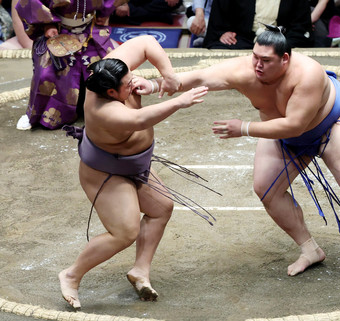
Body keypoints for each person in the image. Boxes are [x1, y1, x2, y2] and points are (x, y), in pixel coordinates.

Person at [140, 26, 340, 276]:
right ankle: (309, 248)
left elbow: (295, 125)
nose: (257, 65)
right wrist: (155, 84)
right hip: (278, 131)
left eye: (266, 60)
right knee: (266, 189)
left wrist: (244, 127)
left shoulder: (308, 74)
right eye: (255, 57)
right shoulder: (244, 69)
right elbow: (199, 76)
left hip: (328, 125)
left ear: (285, 59)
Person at [58, 35, 209, 309]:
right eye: (128, 85)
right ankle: (71, 275)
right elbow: (140, 119)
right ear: (112, 93)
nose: (133, 83)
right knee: (124, 232)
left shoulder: (109, 70)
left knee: (161, 207)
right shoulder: (104, 110)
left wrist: (168, 75)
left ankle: (140, 270)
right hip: (106, 171)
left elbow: (146, 42)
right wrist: (179, 101)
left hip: (134, 165)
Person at [15, 0, 123, 130]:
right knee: (46, 74)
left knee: (110, 70)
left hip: (91, 30)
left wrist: (106, 11)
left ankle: (105, 109)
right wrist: (47, 24)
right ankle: (38, 113)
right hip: (58, 29)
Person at [203, 0, 314, 49]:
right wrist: (222, 33)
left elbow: (300, 25)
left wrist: (281, 43)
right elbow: (220, 15)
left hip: (283, 40)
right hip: (242, 39)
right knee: (219, 48)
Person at [111, 0, 183, 25]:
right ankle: (160, 15)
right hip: (129, 2)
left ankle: (136, 13)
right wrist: (122, 3)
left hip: (152, 2)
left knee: (176, 1)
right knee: (114, 10)